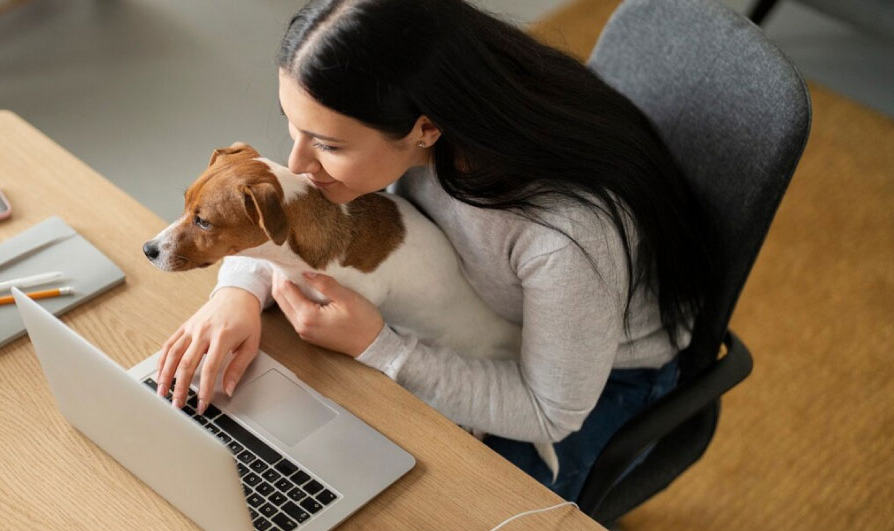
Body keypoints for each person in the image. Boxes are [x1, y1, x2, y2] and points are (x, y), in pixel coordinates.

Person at [154, 0, 717, 501]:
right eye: (294, 128)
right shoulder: (426, 134)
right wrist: (238, 291)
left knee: (409, 516)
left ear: (424, 128)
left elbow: (550, 411)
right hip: (476, 318)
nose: (298, 162)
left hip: (587, 386)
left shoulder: (565, 236)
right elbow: (291, 208)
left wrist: (382, 348)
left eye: (326, 143)